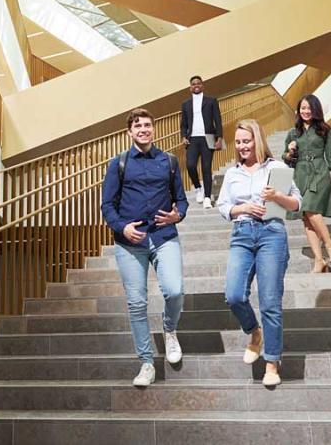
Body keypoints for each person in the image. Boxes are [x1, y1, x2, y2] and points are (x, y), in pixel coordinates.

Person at [100, 108, 189, 386]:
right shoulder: (119, 164)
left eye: (148, 125)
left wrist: (178, 215)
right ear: (129, 132)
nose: (143, 129)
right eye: (138, 125)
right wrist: (122, 227)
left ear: (154, 129)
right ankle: (146, 363)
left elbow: (182, 201)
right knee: (137, 304)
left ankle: (169, 330)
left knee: (175, 290)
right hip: (130, 243)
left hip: (164, 237)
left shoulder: (169, 161)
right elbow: (107, 206)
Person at [217, 119, 302, 386]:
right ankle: (254, 332)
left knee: (270, 302)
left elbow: (297, 203)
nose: (243, 146)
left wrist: (276, 195)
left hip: (271, 234)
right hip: (242, 234)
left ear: (258, 140)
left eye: (247, 140)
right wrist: (242, 209)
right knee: (233, 294)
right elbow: (223, 206)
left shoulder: (277, 167)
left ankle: (272, 362)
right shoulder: (233, 174)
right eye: (239, 142)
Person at [281, 94, 331, 273]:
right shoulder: (293, 133)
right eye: (302, 108)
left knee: (309, 208)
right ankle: (319, 260)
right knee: (306, 219)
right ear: (298, 111)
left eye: (309, 108)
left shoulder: (325, 129)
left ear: (315, 110)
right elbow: (285, 158)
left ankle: (330, 245)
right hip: (300, 175)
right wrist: (290, 151)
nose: (305, 111)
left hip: (319, 172)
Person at [181, 75, 223, 209]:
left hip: (208, 138)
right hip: (192, 139)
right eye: (193, 84)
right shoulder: (186, 104)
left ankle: (206, 197)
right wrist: (183, 136)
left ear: (202, 85)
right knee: (190, 165)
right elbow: (183, 124)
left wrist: (219, 138)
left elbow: (218, 120)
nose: (196, 85)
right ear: (190, 87)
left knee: (206, 168)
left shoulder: (211, 101)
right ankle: (198, 187)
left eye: (198, 83)